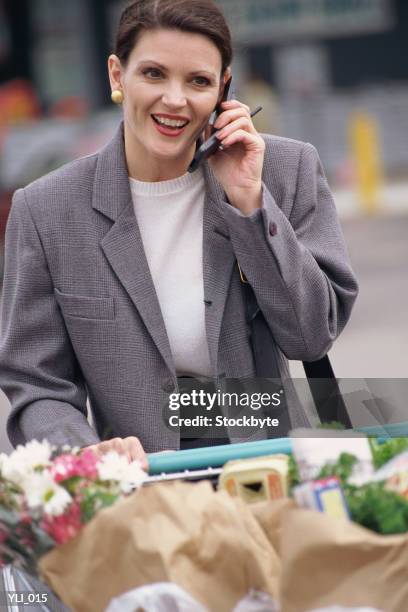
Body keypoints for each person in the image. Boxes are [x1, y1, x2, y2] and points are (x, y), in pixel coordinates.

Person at [0, 0, 358, 466]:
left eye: (199, 81)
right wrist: (88, 455)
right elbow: (36, 381)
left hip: (270, 466)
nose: (175, 99)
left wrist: (249, 201)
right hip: (136, 490)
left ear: (224, 90)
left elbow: (312, 336)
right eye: (153, 74)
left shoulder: (284, 171)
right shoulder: (46, 211)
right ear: (116, 76)